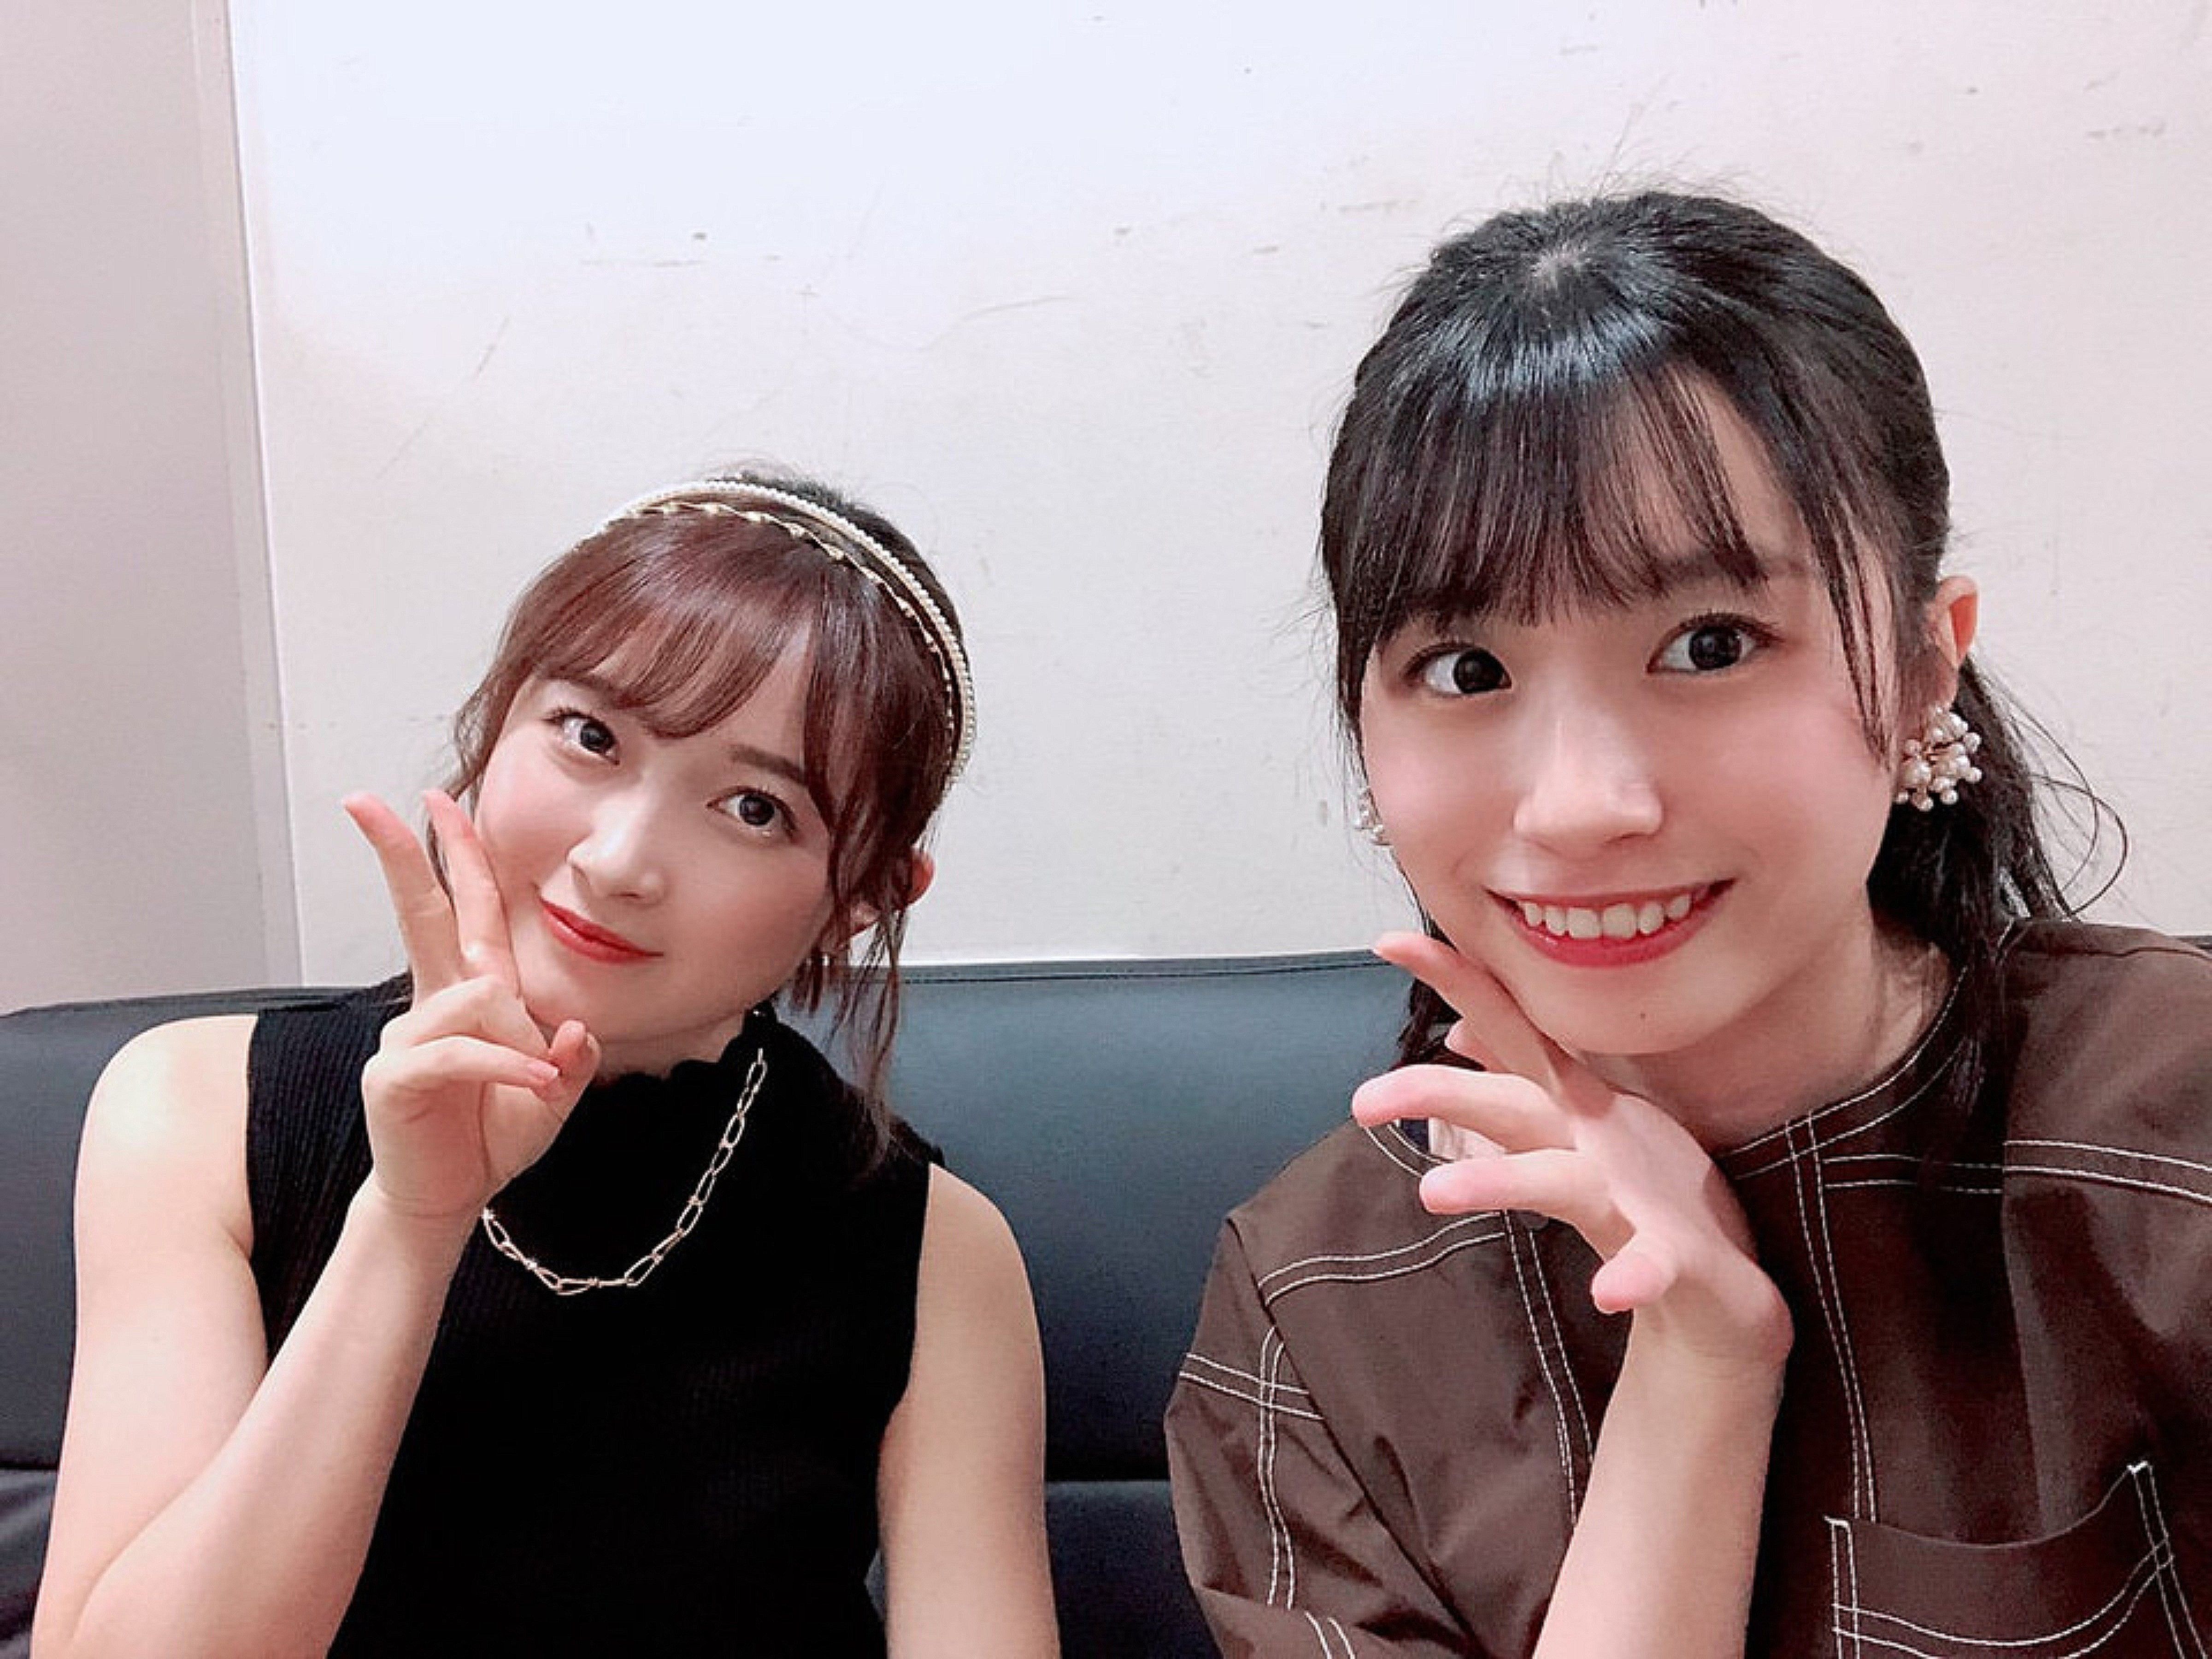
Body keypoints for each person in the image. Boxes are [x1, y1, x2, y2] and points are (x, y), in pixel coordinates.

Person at [1165, 193, 2212, 1656]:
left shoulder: (2176, 1128)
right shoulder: (1322, 1309)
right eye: (1466, 670)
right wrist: (1699, 1367)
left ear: (1927, 665)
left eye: (1709, 645)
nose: (1581, 805)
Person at [35, 473, 1058, 1657]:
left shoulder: (935, 1247)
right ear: (496, 717)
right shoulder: (193, 1108)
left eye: (754, 808)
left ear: (868, 895)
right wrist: (411, 1225)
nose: (619, 860)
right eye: (591, 737)